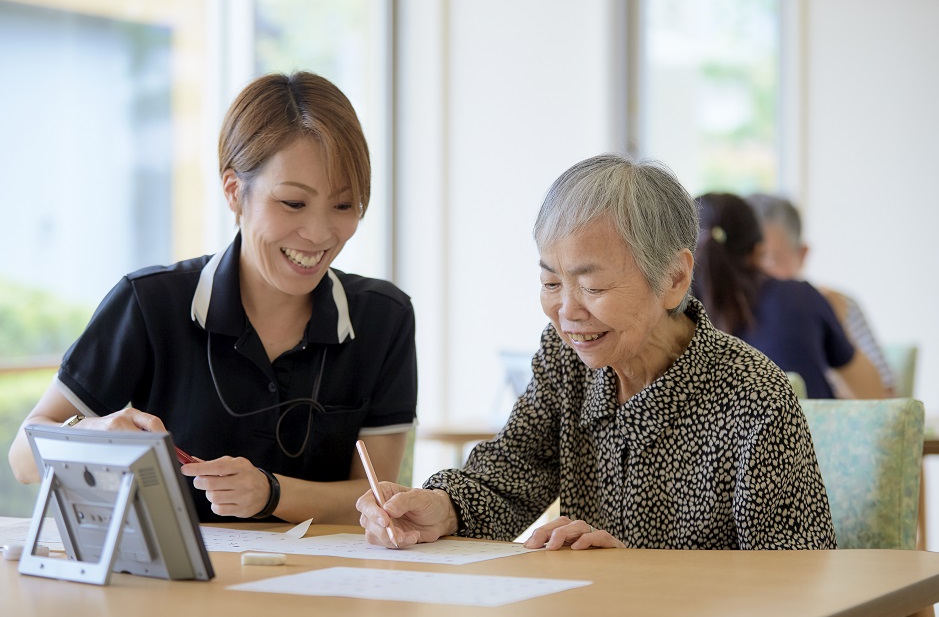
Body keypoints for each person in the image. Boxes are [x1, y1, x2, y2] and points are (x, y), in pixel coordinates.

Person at [356, 154, 837, 551]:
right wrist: (441, 506)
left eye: (592, 285)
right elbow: (511, 474)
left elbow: (796, 573)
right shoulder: (568, 361)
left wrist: (637, 571)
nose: (566, 311)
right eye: (549, 282)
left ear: (673, 279)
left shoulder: (752, 395)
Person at [8, 71, 417, 524]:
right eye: (293, 204)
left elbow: (376, 497)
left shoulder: (385, 318)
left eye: (343, 205)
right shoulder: (149, 304)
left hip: (322, 589)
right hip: (166, 590)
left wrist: (272, 493)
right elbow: (24, 457)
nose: (320, 234)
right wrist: (93, 431)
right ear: (234, 191)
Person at [693, 192, 887, 400]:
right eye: (768, 258)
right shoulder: (803, 298)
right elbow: (878, 401)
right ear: (759, 252)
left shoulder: (673, 315)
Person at [747, 193, 896, 395]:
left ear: (801, 255)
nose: (760, 277)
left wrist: (838, 332)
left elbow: (887, 400)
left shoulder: (835, 304)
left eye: (770, 260)